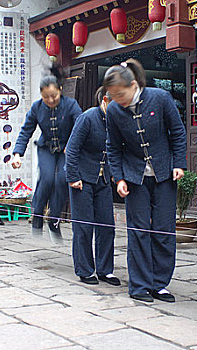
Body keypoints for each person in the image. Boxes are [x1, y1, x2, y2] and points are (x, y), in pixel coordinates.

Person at [104, 59, 187, 302]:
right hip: (134, 177)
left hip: (163, 173)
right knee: (138, 231)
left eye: (121, 94)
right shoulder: (114, 111)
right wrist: (118, 178)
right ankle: (139, 285)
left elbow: (178, 131)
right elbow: (113, 147)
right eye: (113, 96)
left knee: (163, 229)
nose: (118, 99)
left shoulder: (159, 98)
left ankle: (159, 284)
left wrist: (179, 163)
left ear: (133, 84)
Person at [11, 67, 82, 237]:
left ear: (61, 90)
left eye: (54, 96)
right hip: (46, 149)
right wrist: (17, 154)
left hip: (66, 150)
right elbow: (26, 131)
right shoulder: (37, 107)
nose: (50, 100)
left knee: (61, 180)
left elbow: (81, 127)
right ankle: (37, 214)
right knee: (47, 178)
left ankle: (54, 220)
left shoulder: (71, 105)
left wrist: (72, 145)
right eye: (46, 97)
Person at [65, 87, 119, 286]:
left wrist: (116, 175)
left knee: (107, 226)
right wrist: (72, 176)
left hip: (103, 180)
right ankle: (85, 269)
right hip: (82, 179)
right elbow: (71, 149)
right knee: (84, 226)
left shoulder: (115, 122)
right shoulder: (87, 118)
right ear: (105, 100)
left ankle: (105, 270)